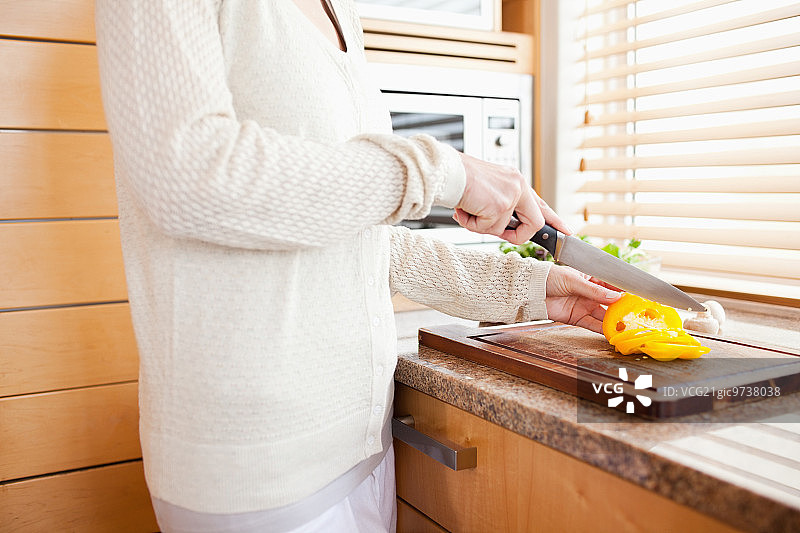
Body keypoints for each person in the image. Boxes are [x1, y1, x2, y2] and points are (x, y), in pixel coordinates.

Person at [94, 1, 621, 531]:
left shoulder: (340, 12)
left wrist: (529, 288)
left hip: (363, 452)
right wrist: (444, 172)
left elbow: (357, 239)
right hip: (256, 472)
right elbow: (186, 179)